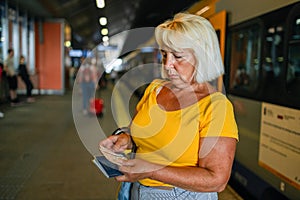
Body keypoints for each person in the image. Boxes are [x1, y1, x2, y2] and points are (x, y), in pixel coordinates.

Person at [99, 13, 238, 200]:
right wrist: (126, 139)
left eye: (178, 56)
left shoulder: (215, 106)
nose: (167, 64)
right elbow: (145, 134)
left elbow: (216, 179)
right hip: (135, 190)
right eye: (164, 54)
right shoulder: (155, 89)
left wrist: (152, 171)